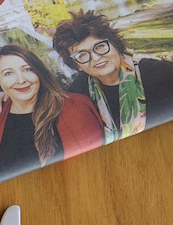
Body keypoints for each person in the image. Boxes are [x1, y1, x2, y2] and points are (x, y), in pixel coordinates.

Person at [0, 45, 103, 192]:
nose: (20, 80)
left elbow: (96, 165)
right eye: (8, 74)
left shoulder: (75, 108)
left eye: (27, 69)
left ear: (38, 71)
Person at [53, 9, 173, 142]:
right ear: (76, 65)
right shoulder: (77, 95)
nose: (96, 57)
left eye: (99, 47)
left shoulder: (160, 73)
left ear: (114, 43)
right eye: (82, 55)